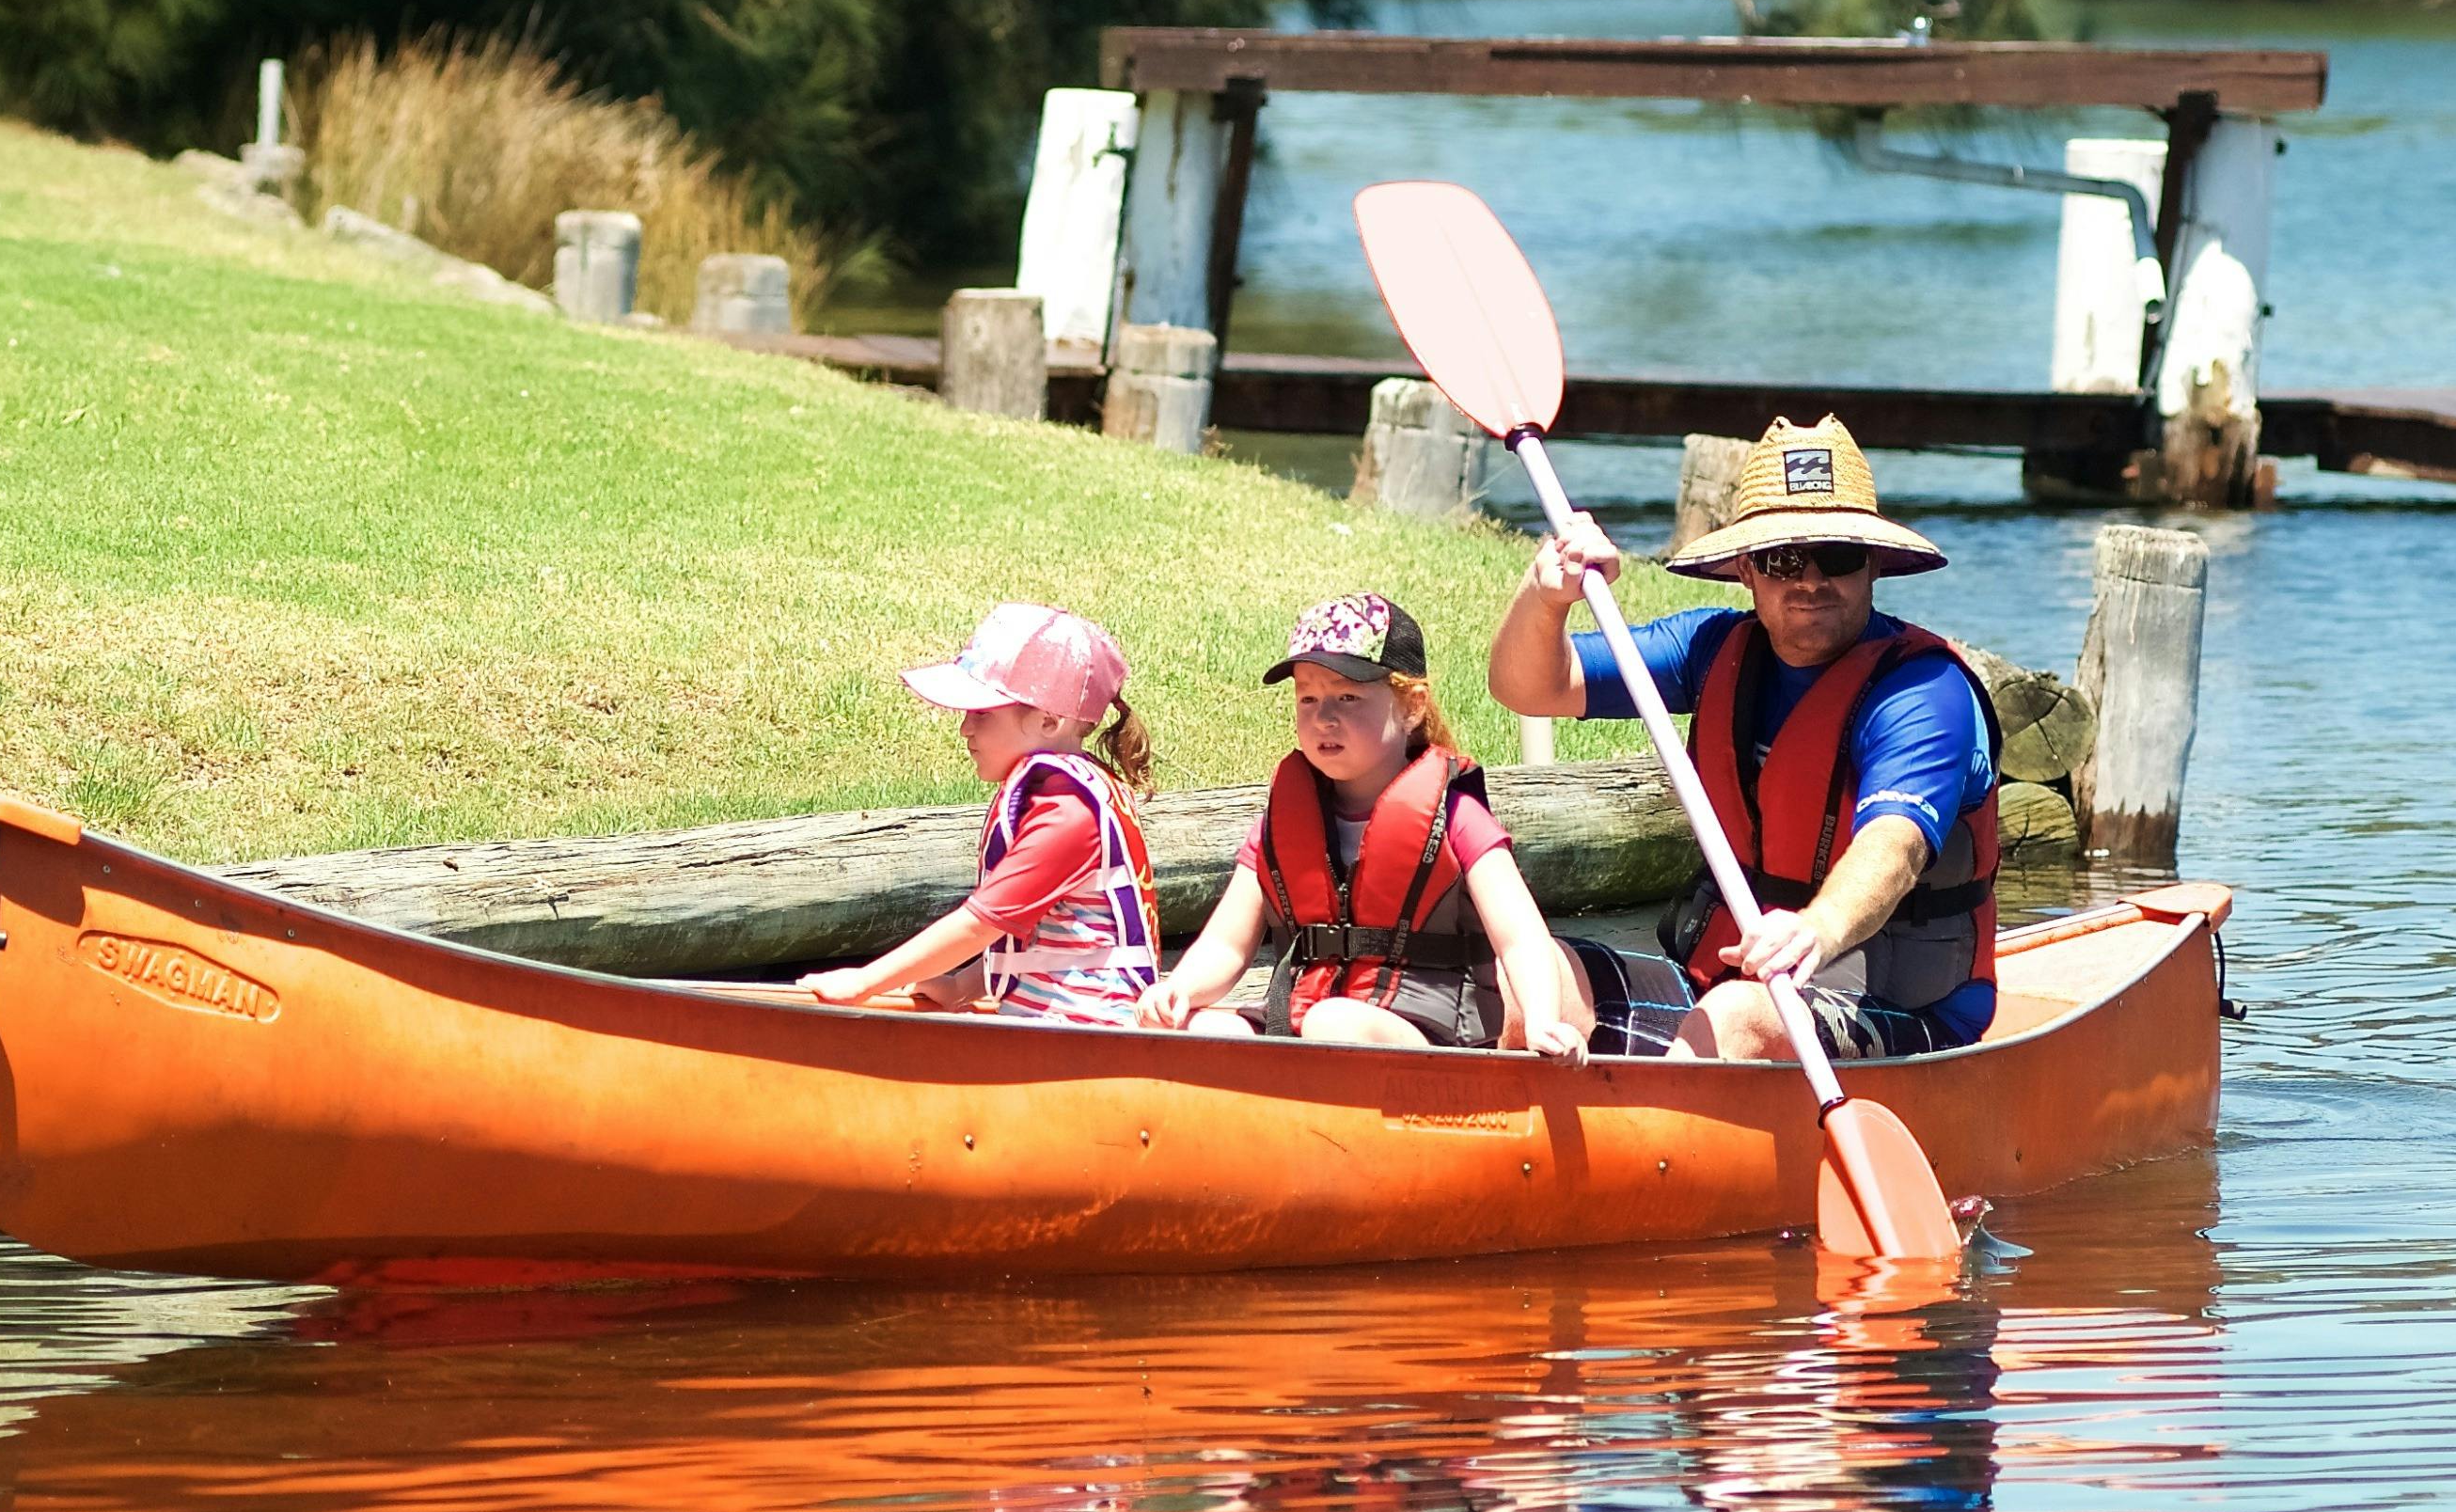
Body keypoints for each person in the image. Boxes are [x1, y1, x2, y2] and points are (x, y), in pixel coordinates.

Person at [1482, 415, 1999, 1063]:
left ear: (1874, 569)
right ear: (1748, 573)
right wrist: (1546, 596)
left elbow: (1894, 847)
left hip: (1902, 1008)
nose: (1811, 581)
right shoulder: (1708, 649)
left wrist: (1816, 928)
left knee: (1734, 1019)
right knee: (1534, 983)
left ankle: (1659, 1153)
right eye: (1783, 560)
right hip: (1732, 981)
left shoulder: (1923, 692)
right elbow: (1530, 688)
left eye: (1836, 558)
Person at [1142, 592, 1588, 1058]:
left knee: (1334, 1021)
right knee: (1197, 1030)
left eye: (1348, 697)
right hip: (1304, 1017)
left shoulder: (1456, 817)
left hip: (1428, 1033)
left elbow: (1520, 938)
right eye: (1308, 698)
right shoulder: (1280, 824)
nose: (1324, 718)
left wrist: (1541, 1022)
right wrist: (1182, 991)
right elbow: (1226, 944)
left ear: (1412, 706)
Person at [797, 603, 1166, 1025]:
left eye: (983, 714)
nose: (965, 729)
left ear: (1049, 722)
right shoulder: (1063, 794)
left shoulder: (1070, 812)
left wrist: (866, 982)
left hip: (1083, 1037)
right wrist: (961, 988)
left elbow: (982, 924)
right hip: (1046, 1029)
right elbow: (1035, 940)